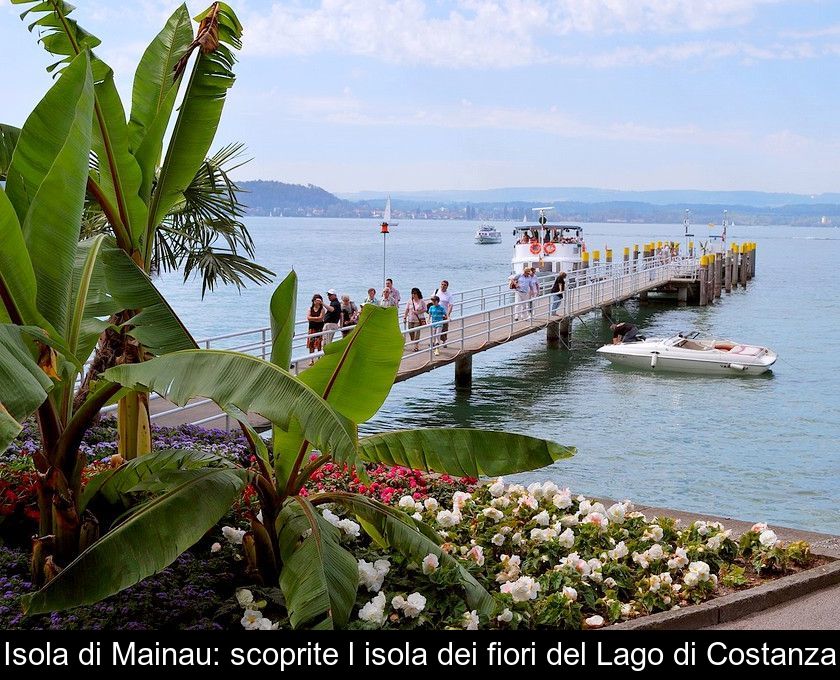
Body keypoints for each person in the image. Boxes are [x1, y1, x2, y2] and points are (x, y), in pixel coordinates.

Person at [306, 294, 326, 361]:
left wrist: (313, 318)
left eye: (318, 300)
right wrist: (316, 318)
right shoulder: (310, 308)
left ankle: (319, 358)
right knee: (311, 344)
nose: (316, 302)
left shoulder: (322, 309)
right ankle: (311, 360)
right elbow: (308, 318)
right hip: (311, 328)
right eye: (315, 300)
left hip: (319, 328)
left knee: (319, 344)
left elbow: (321, 318)